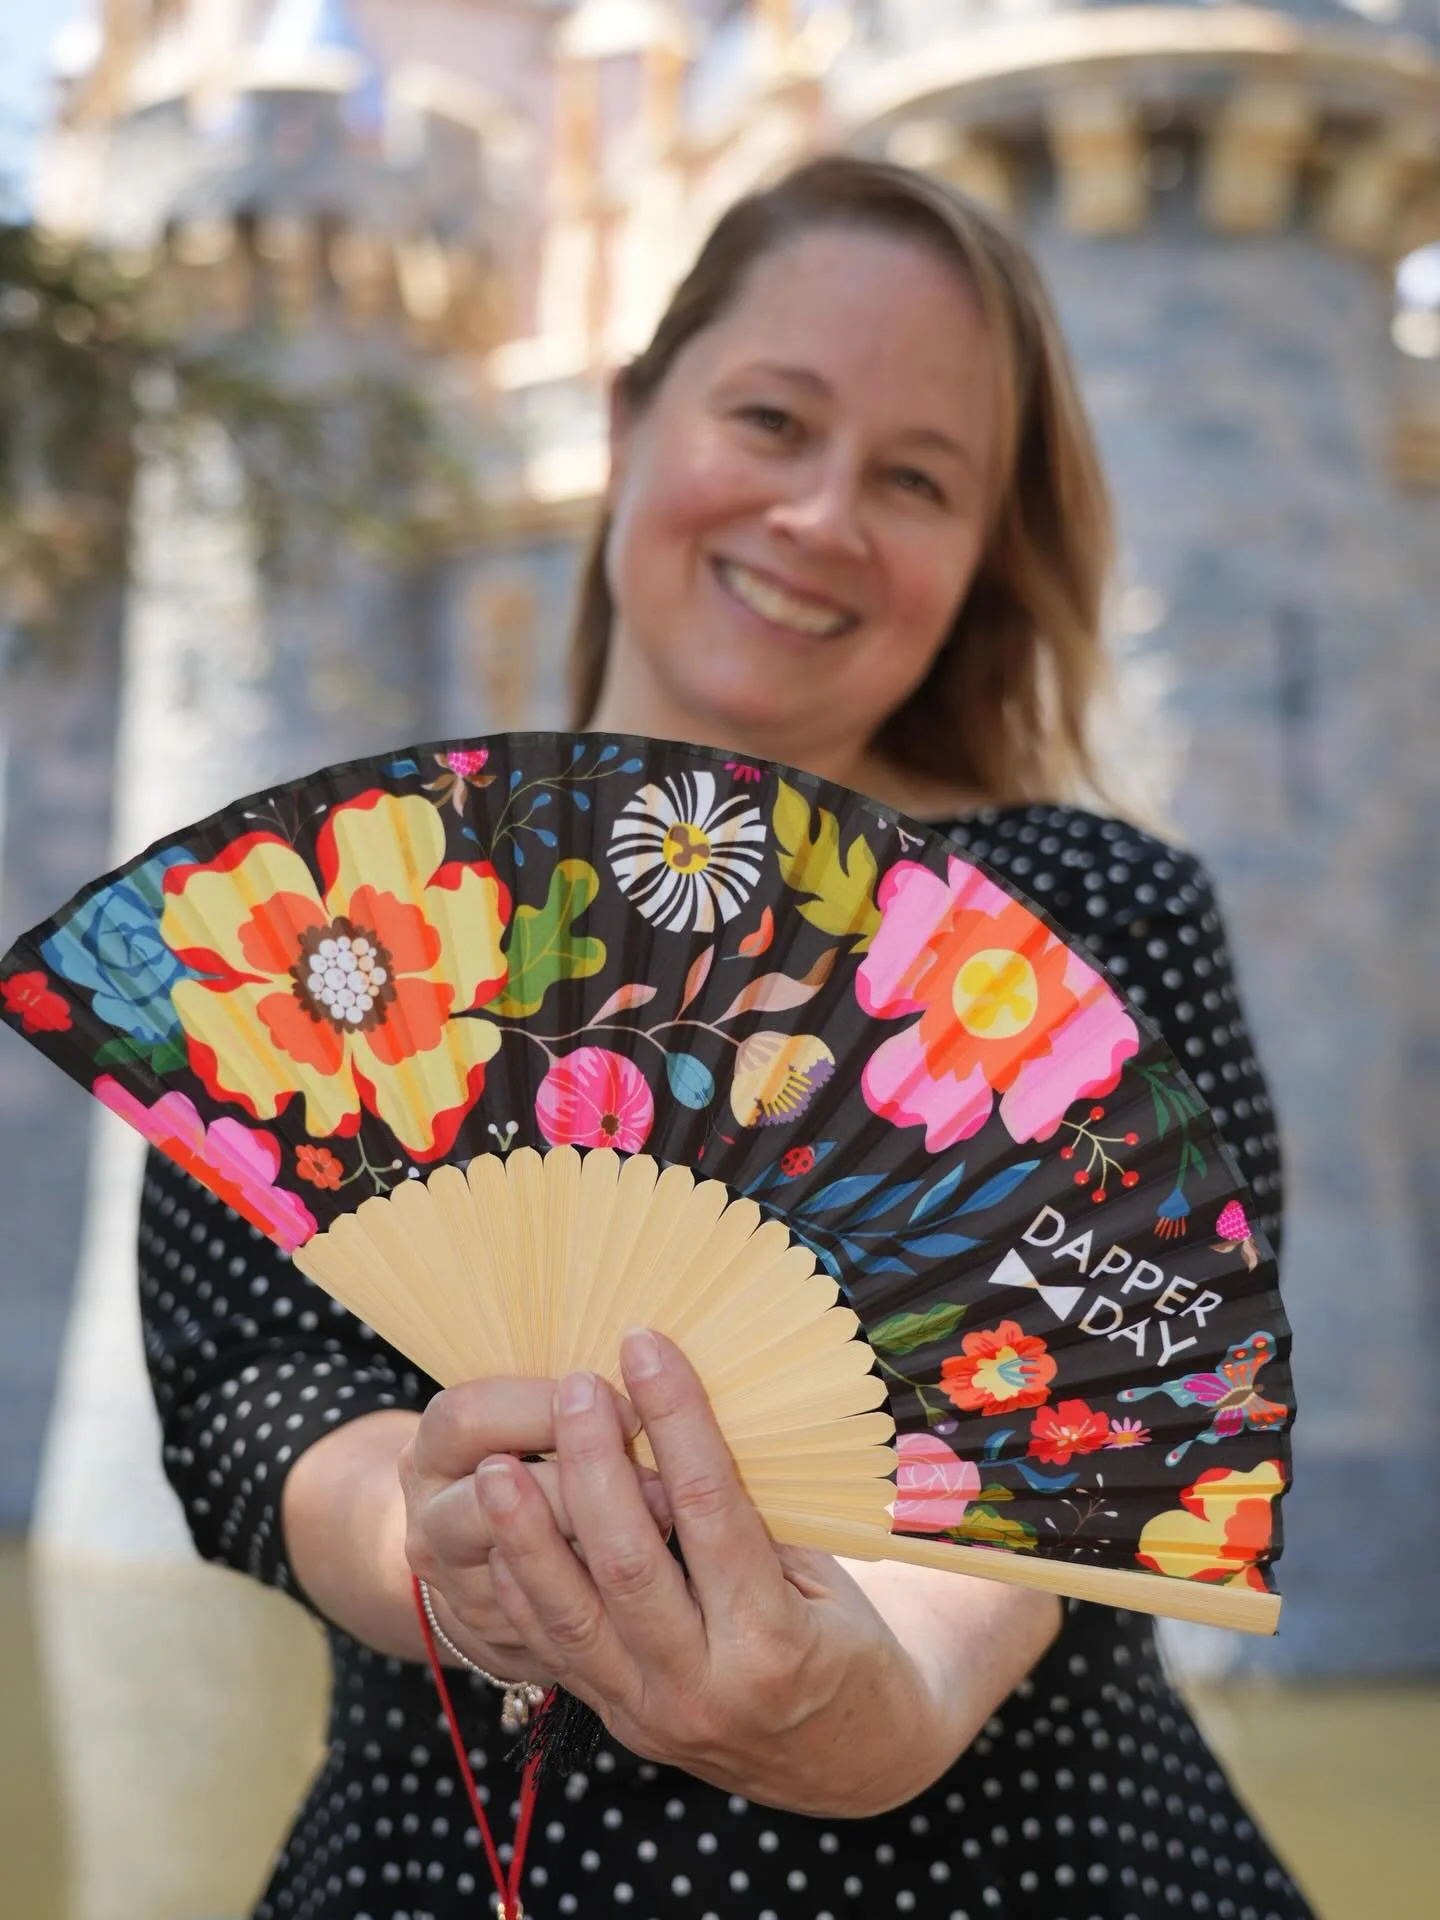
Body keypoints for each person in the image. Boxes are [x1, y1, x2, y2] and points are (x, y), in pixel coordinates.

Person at [140, 154, 1312, 1920]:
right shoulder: (347, 930)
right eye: (774, 419)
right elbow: (260, 1403)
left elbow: (1103, 1429)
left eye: (915, 479)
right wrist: (440, 1556)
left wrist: (897, 1689)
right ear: (629, 422)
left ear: (981, 554)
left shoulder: (1093, 914)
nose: (823, 514)